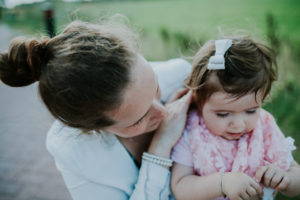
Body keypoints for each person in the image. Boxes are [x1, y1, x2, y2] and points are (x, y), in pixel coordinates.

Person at [0, 18, 193, 199]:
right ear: (92, 127)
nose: (164, 112)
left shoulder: (180, 75)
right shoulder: (74, 151)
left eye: (156, 88)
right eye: (138, 120)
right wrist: (160, 146)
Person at [171, 38, 300, 200]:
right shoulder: (192, 133)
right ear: (198, 100)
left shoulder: (265, 128)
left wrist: (286, 180)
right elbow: (180, 187)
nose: (238, 125)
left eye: (251, 111)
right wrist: (221, 183)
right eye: (223, 114)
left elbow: (297, 179)